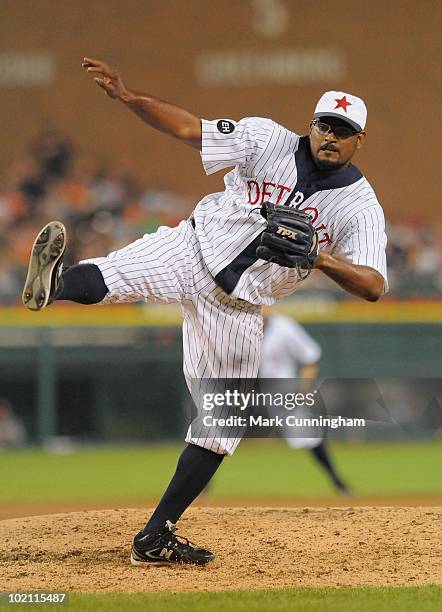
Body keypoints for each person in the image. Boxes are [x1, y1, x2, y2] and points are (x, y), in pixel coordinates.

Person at [22, 57, 387, 566]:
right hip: (192, 248)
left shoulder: (360, 205)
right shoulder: (266, 138)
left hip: (238, 308)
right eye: (325, 124)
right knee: (114, 275)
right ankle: (54, 282)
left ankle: (155, 536)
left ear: (359, 140)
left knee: (221, 425)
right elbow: (190, 129)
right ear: (312, 124)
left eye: (344, 130)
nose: (331, 135)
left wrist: (318, 256)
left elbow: (373, 284)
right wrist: (128, 98)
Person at [259, 312, 349, 493]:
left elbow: (311, 358)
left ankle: (337, 482)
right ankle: (201, 489)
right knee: (218, 433)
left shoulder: (283, 327)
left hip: (281, 392)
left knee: (309, 436)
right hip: (245, 388)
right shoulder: (238, 324)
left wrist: (302, 390)